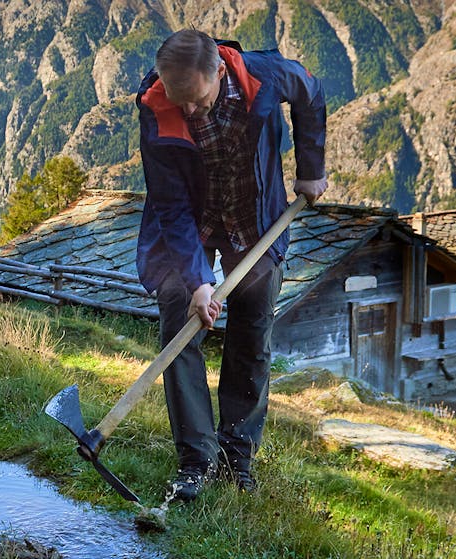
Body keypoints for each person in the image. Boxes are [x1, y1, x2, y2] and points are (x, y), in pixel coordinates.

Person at [135, 29, 327, 501]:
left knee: (251, 333)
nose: (190, 112)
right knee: (180, 317)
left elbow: (311, 92)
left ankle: (236, 457)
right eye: (181, 103)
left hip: (254, 219)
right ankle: (196, 462)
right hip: (190, 226)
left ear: (220, 71)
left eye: (198, 101)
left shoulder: (265, 74)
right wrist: (199, 281)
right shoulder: (156, 103)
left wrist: (311, 166)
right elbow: (170, 202)